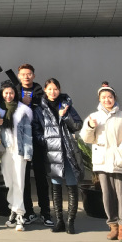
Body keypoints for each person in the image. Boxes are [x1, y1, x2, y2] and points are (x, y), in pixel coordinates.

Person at [80, 82, 122, 242]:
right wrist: (90, 126)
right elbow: (86, 138)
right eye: (103, 97)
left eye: (109, 97)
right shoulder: (93, 117)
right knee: (107, 196)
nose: (107, 100)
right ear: (99, 99)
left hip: (120, 162)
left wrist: (120, 151)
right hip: (102, 163)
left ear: (114, 98)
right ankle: (113, 226)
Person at [33, 78, 83, 234]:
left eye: (55, 89)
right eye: (49, 89)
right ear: (45, 90)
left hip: (68, 152)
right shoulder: (39, 109)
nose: (52, 92)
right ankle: (59, 221)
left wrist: (66, 116)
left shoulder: (67, 106)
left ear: (59, 90)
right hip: (52, 153)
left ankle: (70, 222)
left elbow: (78, 125)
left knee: (72, 186)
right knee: (56, 188)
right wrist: (46, 141)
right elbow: (36, 130)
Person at [0, 81, 33, 232]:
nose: (8, 96)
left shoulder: (23, 110)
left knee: (19, 182)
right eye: (6, 93)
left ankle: (20, 215)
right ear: (2, 94)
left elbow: (28, 134)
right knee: (9, 181)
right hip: (6, 151)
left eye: (11, 93)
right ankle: (13, 210)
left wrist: (28, 153)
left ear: (15, 94)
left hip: (19, 151)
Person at [15, 63, 53, 227]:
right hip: (21, 141)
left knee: (41, 178)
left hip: (38, 140)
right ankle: (28, 212)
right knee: (23, 179)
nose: (26, 76)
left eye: (29, 74)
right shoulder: (14, 92)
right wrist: (21, 102)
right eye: (23, 74)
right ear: (19, 76)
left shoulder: (41, 93)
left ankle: (45, 213)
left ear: (34, 76)